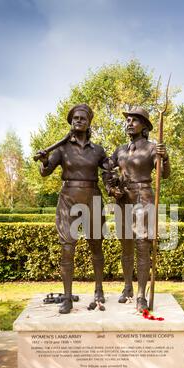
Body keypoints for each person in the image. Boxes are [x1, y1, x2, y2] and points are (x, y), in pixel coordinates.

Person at [37, 104, 109, 314]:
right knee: (67, 249)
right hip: (68, 199)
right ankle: (67, 298)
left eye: (82, 118)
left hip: (92, 198)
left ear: (88, 123)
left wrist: (114, 182)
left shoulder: (98, 150)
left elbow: (108, 173)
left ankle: (98, 290)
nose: (78, 120)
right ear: (71, 122)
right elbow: (46, 172)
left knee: (96, 246)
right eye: (75, 118)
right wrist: (44, 161)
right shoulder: (61, 149)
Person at [108, 106, 170, 312]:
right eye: (128, 120)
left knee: (142, 246)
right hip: (123, 199)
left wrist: (166, 158)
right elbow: (106, 169)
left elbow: (164, 174)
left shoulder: (152, 148)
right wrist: (111, 187)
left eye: (134, 120)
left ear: (144, 126)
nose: (129, 123)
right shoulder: (119, 150)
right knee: (125, 246)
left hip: (144, 197)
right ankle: (127, 288)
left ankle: (141, 294)